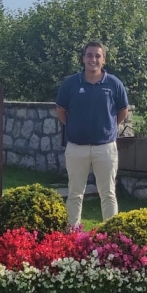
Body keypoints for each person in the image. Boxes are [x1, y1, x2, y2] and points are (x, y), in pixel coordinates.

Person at [55, 40, 129, 227]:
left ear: (103, 60)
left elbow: (122, 111)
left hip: (105, 148)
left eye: (97, 55)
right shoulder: (71, 83)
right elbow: (61, 110)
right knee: (74, 194)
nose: (93, 59)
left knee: (108, 194)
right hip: (76, 148)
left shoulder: (114, 84)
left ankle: (111, 238)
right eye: (89, 55)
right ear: (83, 58)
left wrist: (107, 127)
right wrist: (73, 127)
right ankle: (72, 236)